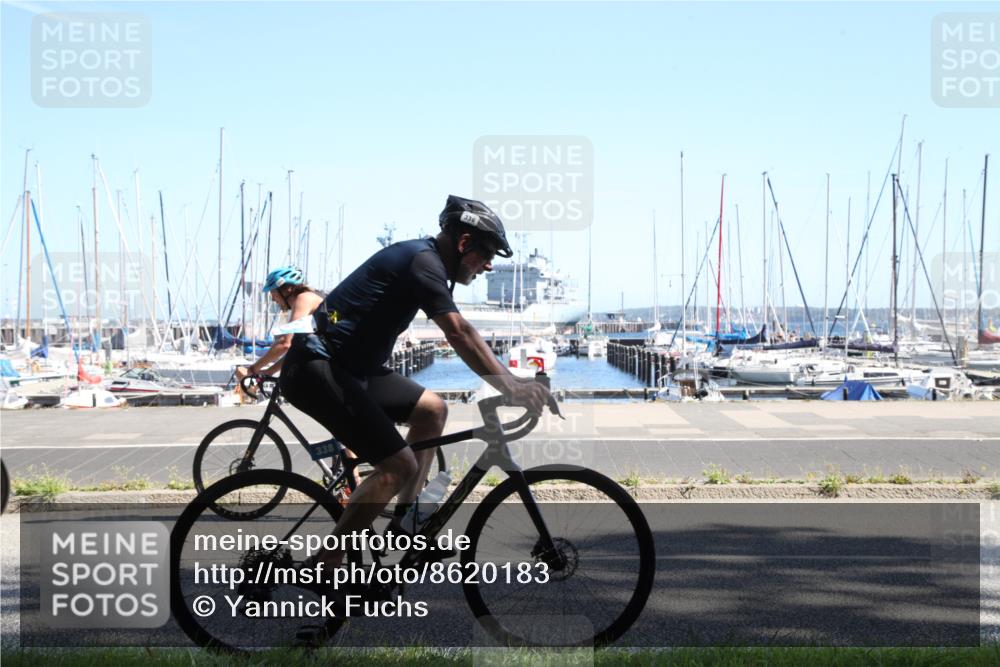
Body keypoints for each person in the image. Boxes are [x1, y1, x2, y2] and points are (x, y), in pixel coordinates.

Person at [280, 195, 551, 574]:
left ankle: (406, 527)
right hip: (317, 369)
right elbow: (459, 332)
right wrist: (510, 386)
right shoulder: (422, 263)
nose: (489, 264)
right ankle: (325, 563)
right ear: (463, 243)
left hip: (351, 368)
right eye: (486, 252)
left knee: (433, 410)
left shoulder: (429, 263)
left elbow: (462, 334)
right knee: (398, 465)